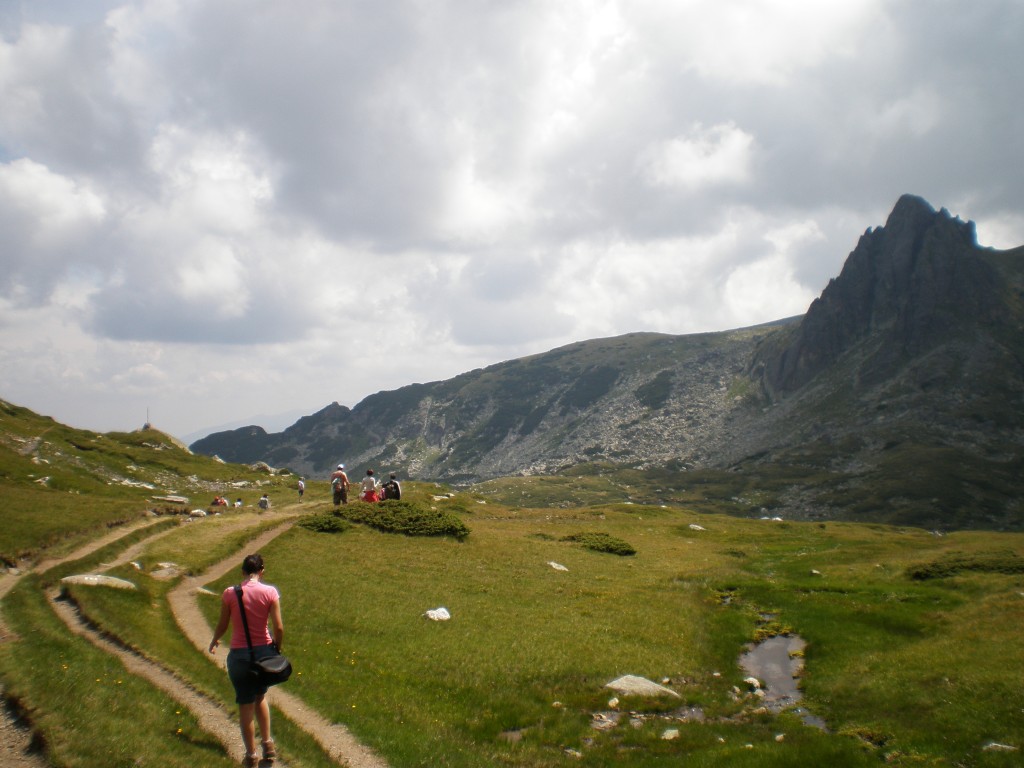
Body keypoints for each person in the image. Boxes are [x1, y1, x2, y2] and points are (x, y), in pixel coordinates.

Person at [209, 553, 284, 768]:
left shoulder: (230, 594)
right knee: (260, 695)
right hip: (264, 654)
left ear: (242, 571)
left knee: (245, 703)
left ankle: (251, 755)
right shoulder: (270, 592)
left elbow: (223, 624)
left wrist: (215, 640)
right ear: (262, 571)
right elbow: (278, 627)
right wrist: (276, 648)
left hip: (239, 655)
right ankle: (268, 745)